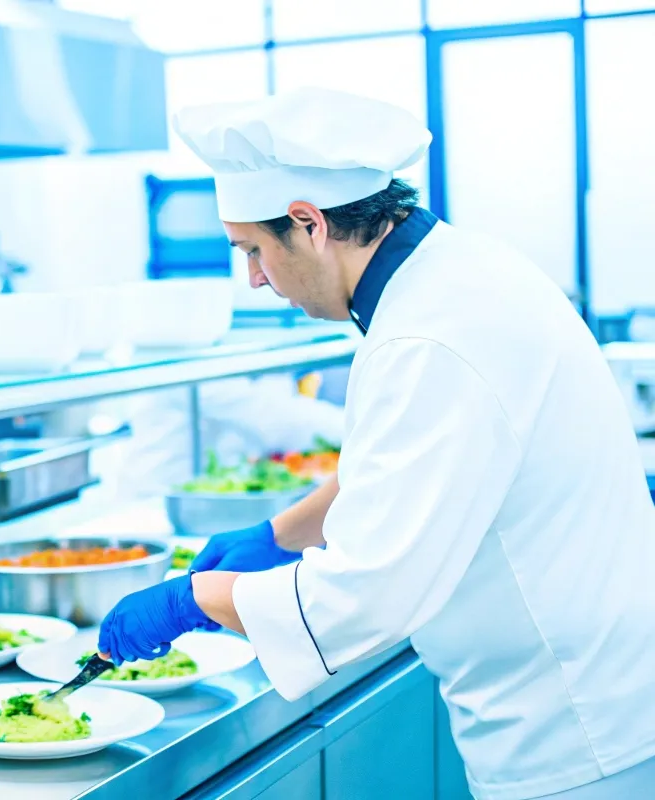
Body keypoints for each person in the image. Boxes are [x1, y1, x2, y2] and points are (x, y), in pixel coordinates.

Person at [96, 87, 655, 800]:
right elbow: (398, 465)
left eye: (254, 250)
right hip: (587, 696)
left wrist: (193, 599)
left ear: (309, 223)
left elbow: (365, 595)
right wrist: (279, 534)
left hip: (571, 726)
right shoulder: (453, 273)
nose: (255, 279)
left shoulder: (428, 337)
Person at [121, 373, 344, 498]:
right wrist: (352, 427)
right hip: (160, 495)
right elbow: (268, 417)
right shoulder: (197, 365)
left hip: (216, 492)